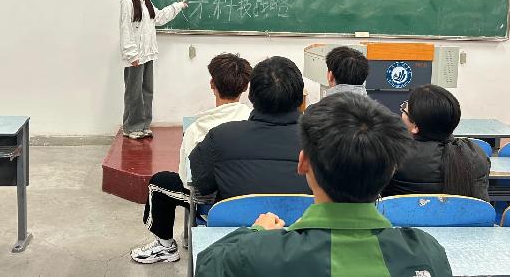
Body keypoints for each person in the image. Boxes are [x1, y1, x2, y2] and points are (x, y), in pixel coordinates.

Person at [196, 92, 453, 277]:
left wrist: (256, 232)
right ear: (392, 169)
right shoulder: (426, 252)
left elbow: (207, 265)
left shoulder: (258, 253)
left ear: (303, 162)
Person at [130, 53, 252, 264]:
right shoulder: (253, 119)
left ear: (212, 84)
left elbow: (188, 180)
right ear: (245, 87)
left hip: (212, 204)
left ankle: (165, 246)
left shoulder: (197, 128)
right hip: (250, 199)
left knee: (158, 182)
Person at [189, 56, 310, 202]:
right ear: (300, 97)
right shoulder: (322, 141)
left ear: (251, 95)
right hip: (304, 217)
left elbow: (200, 185)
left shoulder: (220, 137)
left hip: (237, 217)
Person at [382, 84, 490, 200]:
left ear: (415, 127)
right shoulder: (477, 154)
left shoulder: (394, 158)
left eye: (404, 110)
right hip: (464, 212)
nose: (402, 113)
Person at [119, 0, 187, 139]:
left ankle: (143, 125)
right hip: (135, 56)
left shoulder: (144, 0)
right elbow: (126, 30)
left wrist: (177, 6)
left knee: (147, 91)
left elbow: (159, 17)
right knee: (134, 93)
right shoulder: (127, 1)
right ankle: (131, 127)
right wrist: (131, 54)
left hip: (148, 53)